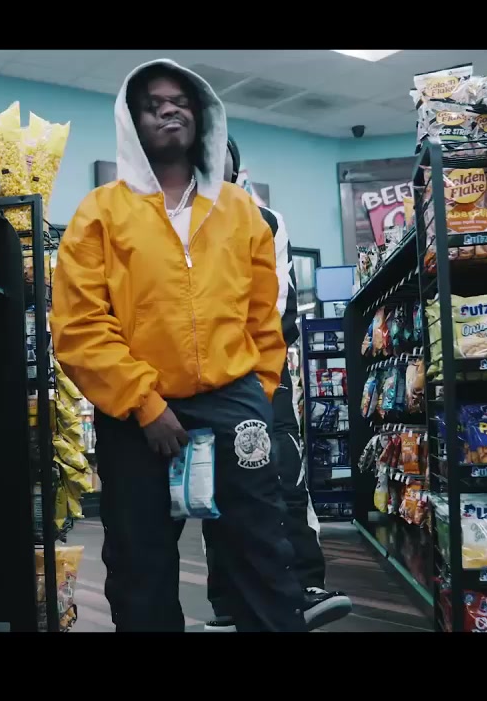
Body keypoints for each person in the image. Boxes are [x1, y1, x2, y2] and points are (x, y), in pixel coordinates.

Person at [51, 59, 308, 632]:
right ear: (132, 124)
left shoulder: (240, 211)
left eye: (179, 101)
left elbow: (264, 317)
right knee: (139, 565)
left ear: (201, 115)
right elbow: (79, 324)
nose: (168, 110)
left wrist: (258, 394)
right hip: (136, 416)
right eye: (152, 104)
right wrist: (145, 404)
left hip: (235, 403)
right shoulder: (100, 213)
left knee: (262, 553)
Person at [202, 136, 353, 632]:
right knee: (212, 486)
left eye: (219, 151)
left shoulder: (264, 220)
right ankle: (228, 598)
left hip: (259, 374)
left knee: (284, 475)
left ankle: (302, 586)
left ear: (234, 166)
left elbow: (277, 308)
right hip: (196, 381)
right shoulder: (169, 221)